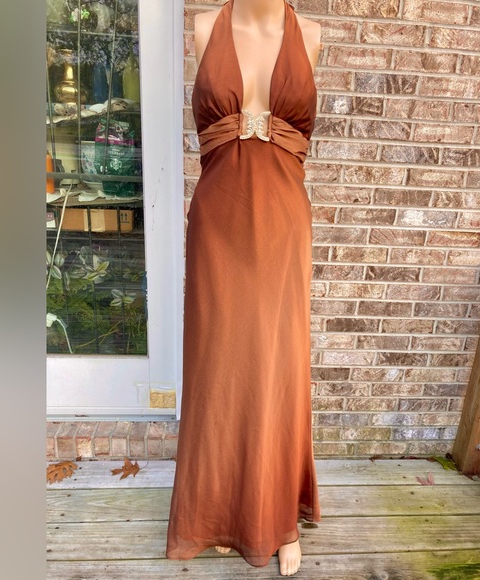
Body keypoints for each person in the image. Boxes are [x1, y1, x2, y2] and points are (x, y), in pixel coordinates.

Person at [166, 0, 322, 576]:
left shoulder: (312, 34)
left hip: (283, 224)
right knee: (220, 367)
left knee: (277, 366)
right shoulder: (205, 26)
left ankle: (277, 519)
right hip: (218, 223)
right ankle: (217, 509)